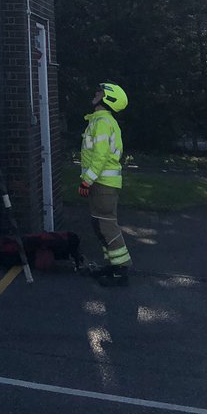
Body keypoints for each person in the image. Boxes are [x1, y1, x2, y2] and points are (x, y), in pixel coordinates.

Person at [79, 81, 131, 286]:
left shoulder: (101, 122)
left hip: (102, 184)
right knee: (100, 225)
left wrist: (87, 181)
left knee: (107, 226)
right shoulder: (103, 121)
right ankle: (112, 266)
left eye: (100, 91)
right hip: (103, 184)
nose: (96, 92)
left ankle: (121, 270)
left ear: (108, 98)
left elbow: (99, 157)